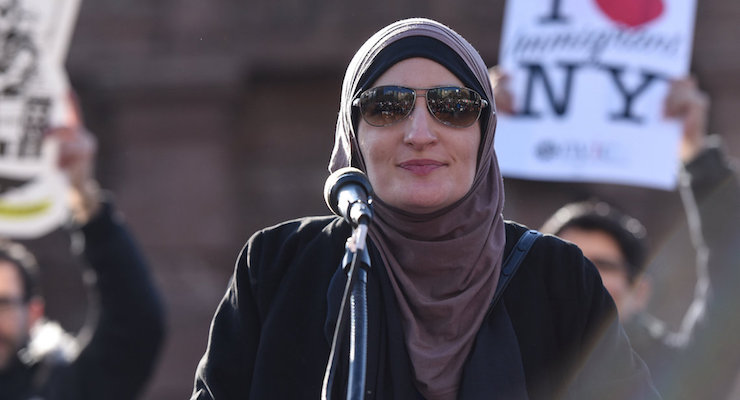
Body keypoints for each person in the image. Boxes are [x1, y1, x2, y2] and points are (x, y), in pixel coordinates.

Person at [191, 18, 660, 400]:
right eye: (387, 106)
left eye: (453, 107)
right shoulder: (277, 266)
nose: (419, 133)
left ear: (485, 133)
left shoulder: (557, 278)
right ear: (352, 133)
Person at [494, 68, 740, 398]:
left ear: (639, 292)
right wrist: (480, 131)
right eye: (561, 260)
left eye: (601, 264)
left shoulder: (680, 377)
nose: (578, 274)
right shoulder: (499, 365)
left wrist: (696, 155)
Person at [0, 95, 167, 399]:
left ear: (34, 313)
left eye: (4, 304)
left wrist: (82, 196)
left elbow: (135, 326)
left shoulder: (65, 386)